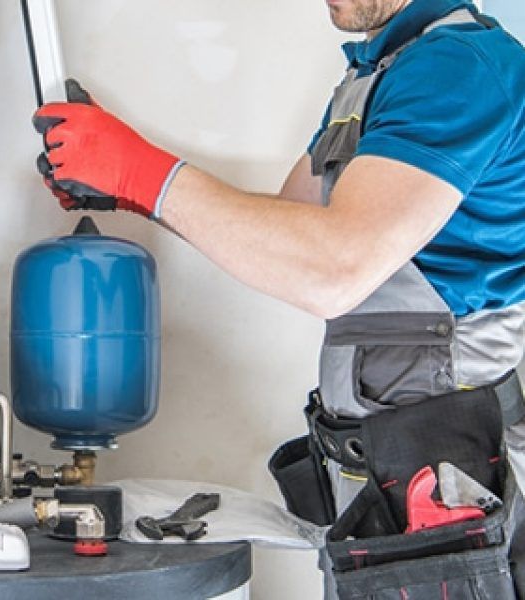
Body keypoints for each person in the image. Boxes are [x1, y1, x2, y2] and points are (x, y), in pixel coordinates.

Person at [32, 0, 525, 598]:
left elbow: (332, 269)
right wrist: (127, 189)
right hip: (389, 468)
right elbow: (286, 232)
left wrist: (145, 174)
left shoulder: (457, 67)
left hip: (446, 471)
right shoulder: (379, 73)